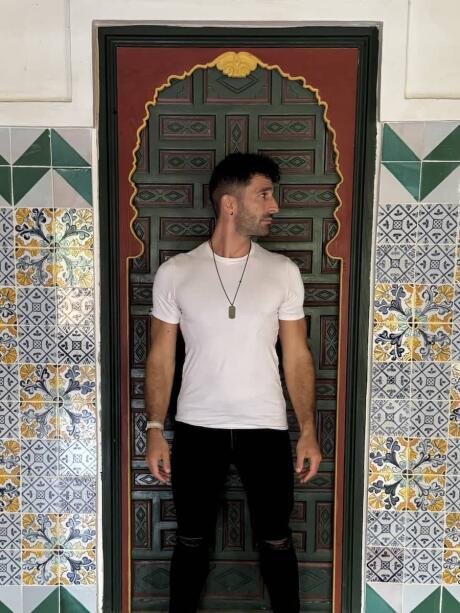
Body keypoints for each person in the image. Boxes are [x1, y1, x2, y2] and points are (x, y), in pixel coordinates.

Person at [144, 152, 322, 613]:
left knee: (277, 540)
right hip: (197, 426)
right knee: (190, 540)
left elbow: (297, 356)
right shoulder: (177, 272)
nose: (274, 206)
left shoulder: (282, 272)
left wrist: (308, 429)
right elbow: (161, 356)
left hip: (264, 427)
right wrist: (155, 429)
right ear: (229, 203)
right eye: (264, 194)